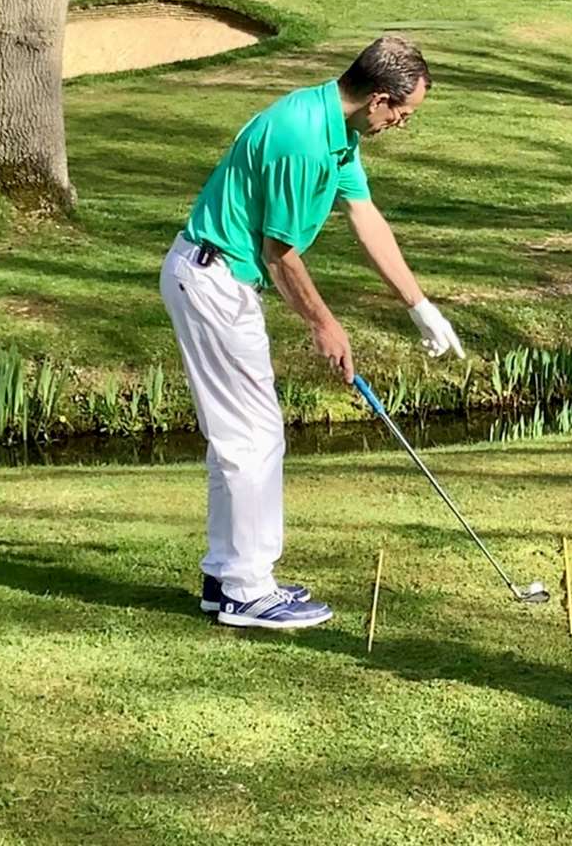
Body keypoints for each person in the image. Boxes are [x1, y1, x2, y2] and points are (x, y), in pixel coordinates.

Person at [160, 36, 464, 630]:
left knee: (242, 436)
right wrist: (326, 325)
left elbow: (366, 218)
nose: (402, 124)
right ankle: (247, 590)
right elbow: (281, 255)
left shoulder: (337, 132)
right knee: (253, 437)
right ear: (379, 100)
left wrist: (420, 306)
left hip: (217, 278)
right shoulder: (302, 140)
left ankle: (228, 575)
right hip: (214, 278)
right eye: (404, 113)